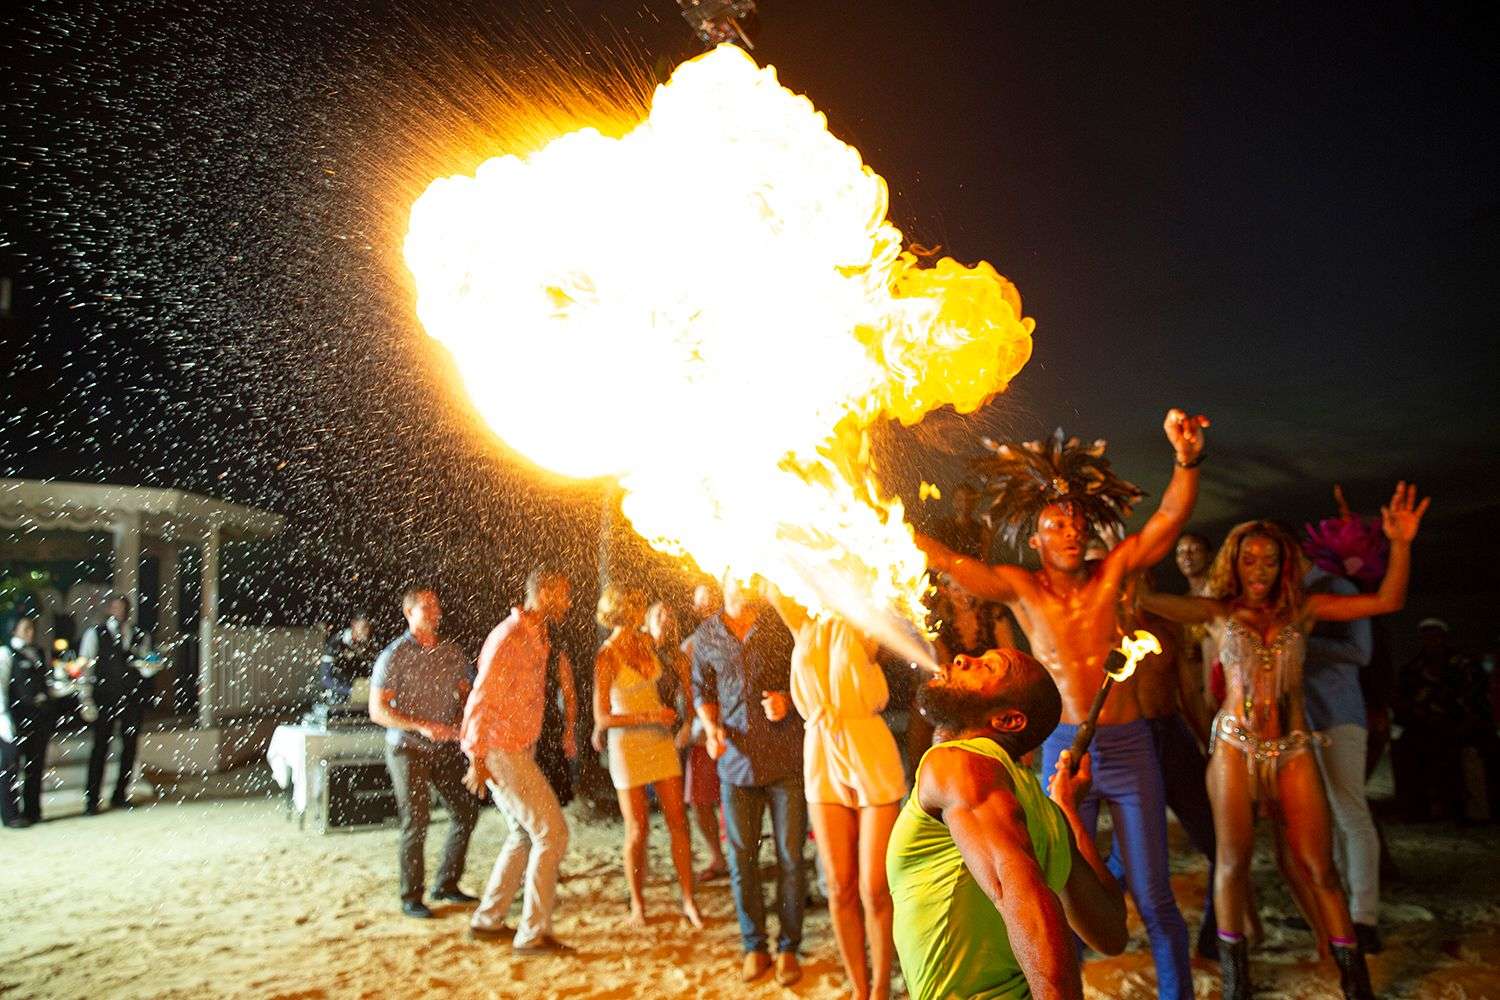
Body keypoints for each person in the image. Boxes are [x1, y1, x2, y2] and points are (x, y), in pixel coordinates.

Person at [918, 412, 1208, 1000]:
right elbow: (949, 564)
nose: (1071, 532)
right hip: (1057, 748)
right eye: (1056, 524)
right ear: (1036, 538)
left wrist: (1186, 460)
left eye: (1077, 522)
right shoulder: (1022, 589)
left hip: (1127, 749)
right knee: (1058, 886)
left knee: (1152, 895)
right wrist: (879, 521)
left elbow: (1170, 519)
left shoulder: (1115, 575)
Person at [1141, 483, 1427, 1000]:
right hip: (1233, 746)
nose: (1258, 569)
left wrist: (1400, 544)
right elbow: (1138, 599)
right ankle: (1236, 983)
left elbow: (1389, 600)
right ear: (1235, 561)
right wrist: (1126, 553)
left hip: (1294, 747)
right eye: (1249, 559)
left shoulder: (1305, 610)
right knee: (1232, 862)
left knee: (1319, 867)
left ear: (1283, 564)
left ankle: (1354, 983)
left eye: (1269, 560)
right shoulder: (1216, 612)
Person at [889, 647, 1127, 1000]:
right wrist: (1067, 813)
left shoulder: (959, 766)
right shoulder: (1045, 812)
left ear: (1008, 721)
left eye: (986, 667)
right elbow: (1110, 931)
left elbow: (1018, 894)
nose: (961, 660)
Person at [769, 594, 906, 1000]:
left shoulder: (864, 620)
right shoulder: (802, 622)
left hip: (868, 748)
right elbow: (771, 573)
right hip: (821, 752)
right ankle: (859, 988)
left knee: (873, 887)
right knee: (840, 885)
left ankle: (881, 987)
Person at [691, 577, 805, 986]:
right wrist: (710, 726)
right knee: (743, 860)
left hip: (785, 762)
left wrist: (789, 700)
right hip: (736, 765)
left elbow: (806, 675)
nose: (746, 583)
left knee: (791, 859)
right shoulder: (707, 634)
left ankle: (789, 947)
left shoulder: (779, 625)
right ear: (723, 581)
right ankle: (754, 945)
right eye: (737, 576)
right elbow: (701, 688)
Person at [460, 569, 575, 953]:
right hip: (499, 749)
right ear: (542, 593)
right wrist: (476, 755)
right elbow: (481, 697)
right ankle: (532, 934)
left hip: (515, 748)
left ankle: (488, 920)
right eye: (562, 594)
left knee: (524, 834)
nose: (569, 603)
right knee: (551, 833)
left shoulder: (538, 637)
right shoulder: (508, 637)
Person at [591, 586, 703, 927]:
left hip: (659, 741)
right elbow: (603, 717)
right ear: (625, 611)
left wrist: (684, 679)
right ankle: (638, 905)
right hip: (627, 745)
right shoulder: (606, 656)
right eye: (638, 606)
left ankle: (688, 900)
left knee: (678, 823)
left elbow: (675, 660)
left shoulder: (645, 643)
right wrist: (650, 717)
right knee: (637, 829)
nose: (642, 610)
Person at [369, 587, 482, 919]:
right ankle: (411, 896)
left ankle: (446, 884)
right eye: (426, 606)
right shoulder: (395, 655)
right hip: (407, 749)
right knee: (416, 820)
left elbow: (468, 695)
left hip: (444, 748)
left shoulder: (452, 653)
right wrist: (420, 726)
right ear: (409, 612)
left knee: (465, 812)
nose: (435, 611)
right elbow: (378, 710)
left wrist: (465, 719)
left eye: (437, 606)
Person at [1301, 561, 1383, 953]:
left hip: (1338, 713)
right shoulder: (1283, 595)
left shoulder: (1337, 588)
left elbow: (1360, 651)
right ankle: (1335, 910)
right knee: (1322, 818)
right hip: (1301, 719)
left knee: (1351, 812)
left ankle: (1365, 916)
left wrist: (1300, 641)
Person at [1393, 618, 1492, 823]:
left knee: (1470, 752)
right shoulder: (1413, 669)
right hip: (1424, 728)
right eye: (1427, 636)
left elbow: (1478, 700)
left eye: (1436, 635)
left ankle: (1473, 810)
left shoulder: (1464, 665)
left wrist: (1461, 722)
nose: (1431, 640)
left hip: (1461, 727)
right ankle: (1417, 809)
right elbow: (1403, 703)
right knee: (1405, 748)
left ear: (1444, 637)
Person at [78, 595, 154, 814]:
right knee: (100, 748)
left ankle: (120, 794)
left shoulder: (139, 634)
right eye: (115, 606)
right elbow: (86, 667)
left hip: (131, 699)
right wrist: (86, 699)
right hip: (104, 698)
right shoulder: (95, 634)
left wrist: (149, 667)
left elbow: (146, 663)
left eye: (123, 607)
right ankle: (92, 800)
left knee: (129, 748)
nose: (119, 610)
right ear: (109, 609)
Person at [678, 584, 729, 881]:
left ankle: (737, 857)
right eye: (701, 604)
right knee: (700, 800)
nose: (705, 608)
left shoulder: (734, 638)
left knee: (735, 798)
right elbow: (684, 694)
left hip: (735, 731)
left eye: (710, 602)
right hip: (701, 736)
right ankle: (717, 858)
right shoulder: (690, 646)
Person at [1, 618, 53, 827]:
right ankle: (11, 815)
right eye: (26, 629)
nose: (30, 632)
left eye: (32, 628)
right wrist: (4, 720)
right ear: (14, 630)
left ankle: (33, 810)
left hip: (38, 718)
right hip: (15, 718)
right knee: (10, 767)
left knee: (35, 765)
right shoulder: (5, 654)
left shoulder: (39, 653)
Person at [534, 616, 580, 809]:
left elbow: (570, 696)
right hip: (524, 728)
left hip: (550, 727)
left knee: (553, 795)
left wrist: (569, 731)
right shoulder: (518, 654)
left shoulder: (557, 658)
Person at [318, 611, 374, 703]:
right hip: (336, 698)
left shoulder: (368, 645)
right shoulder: (335, 642)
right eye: (364, 627)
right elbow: (326, 679)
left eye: (369, 627)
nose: (367, 631)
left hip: (360, 699)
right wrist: (352, 691)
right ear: (353, 624)